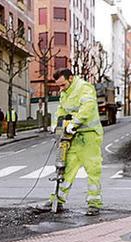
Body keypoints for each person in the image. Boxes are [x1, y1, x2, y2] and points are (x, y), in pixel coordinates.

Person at [36, 68, 104, 216]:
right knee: (66, 171)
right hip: (72, 137)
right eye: (59, 85)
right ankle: (57, 201)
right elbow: (61, 111)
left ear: (71, 78)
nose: (61, 88)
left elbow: (88, 107)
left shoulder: (84, 87)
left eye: (63, 84)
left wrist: (75, 123)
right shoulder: (64, 93)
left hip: (89, 136)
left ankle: (94, 203)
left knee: (93, 170)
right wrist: (57, 124)